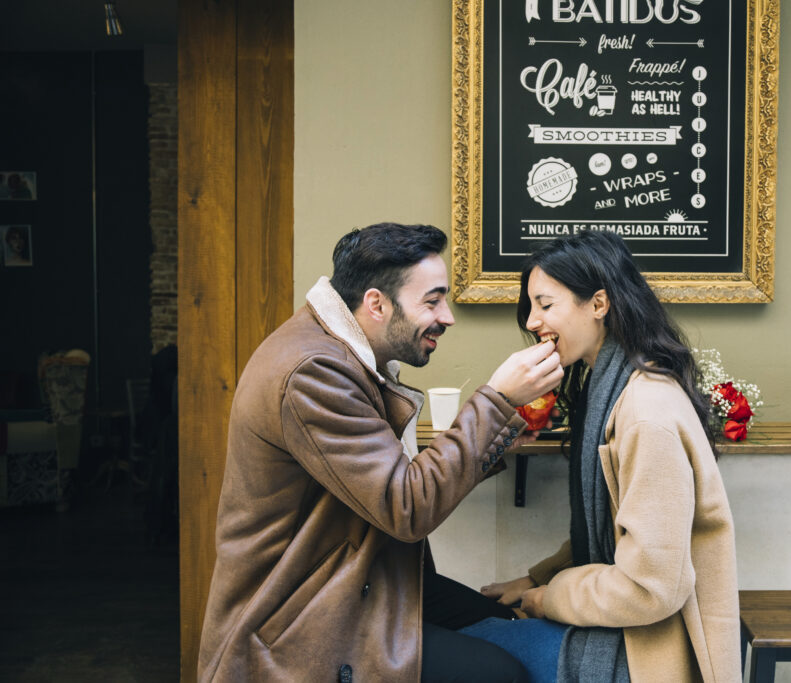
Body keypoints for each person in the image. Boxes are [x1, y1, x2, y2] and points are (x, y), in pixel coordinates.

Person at [198, 223, 563, 682]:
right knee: (500, 674)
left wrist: (500, 433)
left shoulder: (340, 352)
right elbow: (405, 506)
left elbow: (388, 480)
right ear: (376, 303)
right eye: (432, 301)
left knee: (499, 617)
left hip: (361, 576)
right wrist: (496, 401)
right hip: (301, 612)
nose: (447, 317)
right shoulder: (314, 372)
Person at [468, 230, 741, 682]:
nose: (533, 321)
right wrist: (536, 579)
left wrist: (548, 597)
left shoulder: (644, 412)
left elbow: (652, 586)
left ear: (598, 304)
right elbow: (615, 531)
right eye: (531, 307)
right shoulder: (614, 388)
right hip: (638, 635)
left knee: (468, 648)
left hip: (648, 656)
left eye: (545, 304)